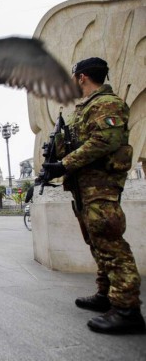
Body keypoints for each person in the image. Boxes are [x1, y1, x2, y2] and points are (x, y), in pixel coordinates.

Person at [43, 57, 144, 334]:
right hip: (85, 185)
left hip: (101, 184)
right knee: (97, 240)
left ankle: (127, 309)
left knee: (110, 242)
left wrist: (64, 164)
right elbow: (80, 142)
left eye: (74, 77)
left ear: (82, 77)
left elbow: (104, 141)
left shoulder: (107, 103)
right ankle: (106, 295)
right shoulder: (85, 107)